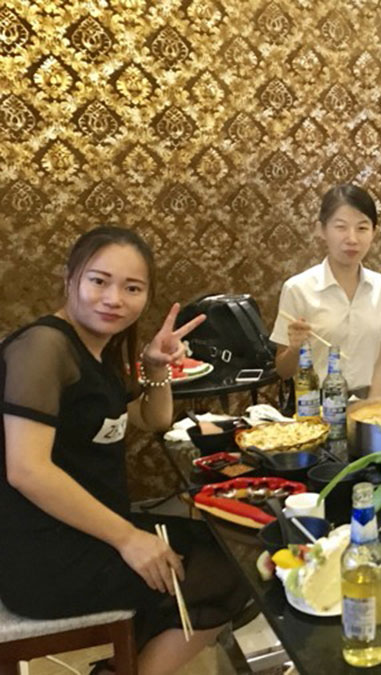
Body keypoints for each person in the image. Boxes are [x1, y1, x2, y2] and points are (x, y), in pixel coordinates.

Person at [0, 227, 250, 675]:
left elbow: (153, 418)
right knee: (225, 576)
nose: (114, 299)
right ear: (70, 278)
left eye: (132, 288)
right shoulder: (43, 348)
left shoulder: (97, 349)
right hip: (43, 555)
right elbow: (26, 470)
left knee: (229, 551)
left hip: (89, 531)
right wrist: (128, 539)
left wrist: (156, 366)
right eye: (99, 281)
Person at [271, 184, 381, 399]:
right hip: (315, 404)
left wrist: (371, 407)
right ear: (321, 230)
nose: (352, 238)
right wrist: (295, 349)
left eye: (362, 228)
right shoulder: (297, 289)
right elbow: (283, 371)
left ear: (374, 232)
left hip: (369, 401)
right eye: (341, 227)